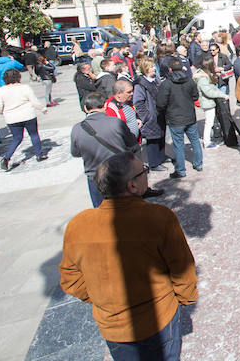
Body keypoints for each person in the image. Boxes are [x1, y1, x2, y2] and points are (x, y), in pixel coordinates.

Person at [59, 152, 198, 361]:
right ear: (132, 186)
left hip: (113, 329)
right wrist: (184, 299)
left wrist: (103, 300)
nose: (147, 176)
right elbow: (182, 268)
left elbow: (70, 279)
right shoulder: (158, 218)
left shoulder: (78, 225)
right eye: (144, 172)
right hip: (159, 319)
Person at [71, 92, 141, 207]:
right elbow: (131, 143)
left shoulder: (77, 129)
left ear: (85, 108)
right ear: (104, 106)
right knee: (127, 208)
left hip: (94, 177)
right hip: (120, 172)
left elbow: (75, 153)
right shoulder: (116, 123)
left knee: (101, 211)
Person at [0, 68, 47, 170]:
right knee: (34, 134)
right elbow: (34, 101)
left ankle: (6, 158)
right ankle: (39, 155)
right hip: (28, 115)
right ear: (18, 77)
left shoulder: (1, 90)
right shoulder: (25, 88)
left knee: (17, 138)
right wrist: (42, 109)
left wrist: (2, 112)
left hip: (12, 118)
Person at [157, 58, 202, 178]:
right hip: (189, 116)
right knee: (195, 141)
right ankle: (198, 164)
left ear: (170, 69)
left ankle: (181, 170)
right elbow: (195, 96)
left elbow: (161, 103)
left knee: (178, 144)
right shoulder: (189, 81)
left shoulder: (166, 84)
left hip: (175, 118)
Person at [133, 58, 167, 172]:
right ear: (146, 69)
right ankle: (154, 162)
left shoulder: (156, 80)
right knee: (152, 140)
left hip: (160, 113)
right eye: (152, 67)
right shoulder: (140, 84)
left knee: (161, 136)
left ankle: (161, 157)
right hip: (151, 116)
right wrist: (146, 116)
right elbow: (138, 102)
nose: (154, 68)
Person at [194, 58, 230, 149]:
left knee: (210, 122)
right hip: (207, 103)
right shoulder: (203, 78)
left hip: (208, 102)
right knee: (209, 122)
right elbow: (209, 92)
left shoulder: (204, 75)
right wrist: (222, 95)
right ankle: (207, 142)